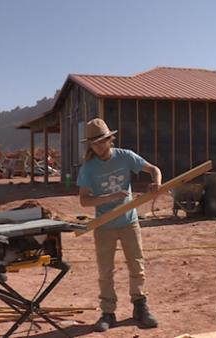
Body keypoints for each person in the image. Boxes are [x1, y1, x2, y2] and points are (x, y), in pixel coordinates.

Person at [77, 118, 161, 332]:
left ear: (110, 139)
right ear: (90, 145)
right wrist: (109, 197)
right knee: (106, 271)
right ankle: (108, 313)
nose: (100, 146)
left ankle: (140, 307)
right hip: (104, 225)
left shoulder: (125, 156)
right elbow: (85, 200)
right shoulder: (89, 168)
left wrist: (157, 182)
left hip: (128, 222)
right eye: (95, 143)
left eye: (103, 141)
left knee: (137, 266)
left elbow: (153, 169)